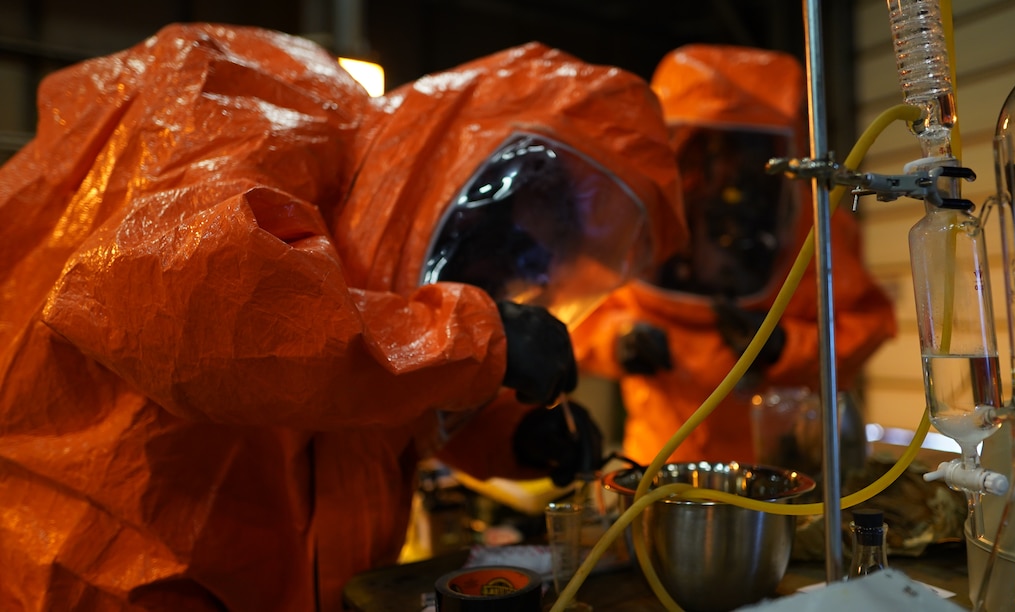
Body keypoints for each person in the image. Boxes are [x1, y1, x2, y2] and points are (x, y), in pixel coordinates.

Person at [0, 24, 687, 611]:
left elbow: (353, 387)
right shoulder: (251, 96)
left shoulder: (375, 235)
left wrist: (505, 431)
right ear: (475, 154)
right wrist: (483, 341)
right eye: (523, 232)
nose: (531, 271)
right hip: (97, 575)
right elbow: (200, 311)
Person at [572, 44, 897, 467]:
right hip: (659, 461)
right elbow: (579, 311)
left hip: (780, 468)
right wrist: (618, 340)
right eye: (707, 144)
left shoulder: (815, 227)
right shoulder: (647, 220)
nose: (724, 168)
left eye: (740, 148)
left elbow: (864, 325)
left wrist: (784, 348)